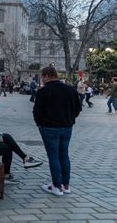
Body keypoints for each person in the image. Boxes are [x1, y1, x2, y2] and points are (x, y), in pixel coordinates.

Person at [33, 66, 82, 196]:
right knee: (64, 155)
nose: (42, 80)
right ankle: (66, 185)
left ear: (46, 76)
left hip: (49, 127)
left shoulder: (43, 92)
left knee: (53, 156)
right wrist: (70, 119)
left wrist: (39, 124)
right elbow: (78, 108)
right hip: (67, 127)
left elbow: (37, 112)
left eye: (42, 77)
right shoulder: (70, 90)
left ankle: (56, 186)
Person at [0, 92, 42, 185]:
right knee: (7, 148)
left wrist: (0, 136)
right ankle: (8, 173)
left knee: (7, 137)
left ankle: (25, 158)